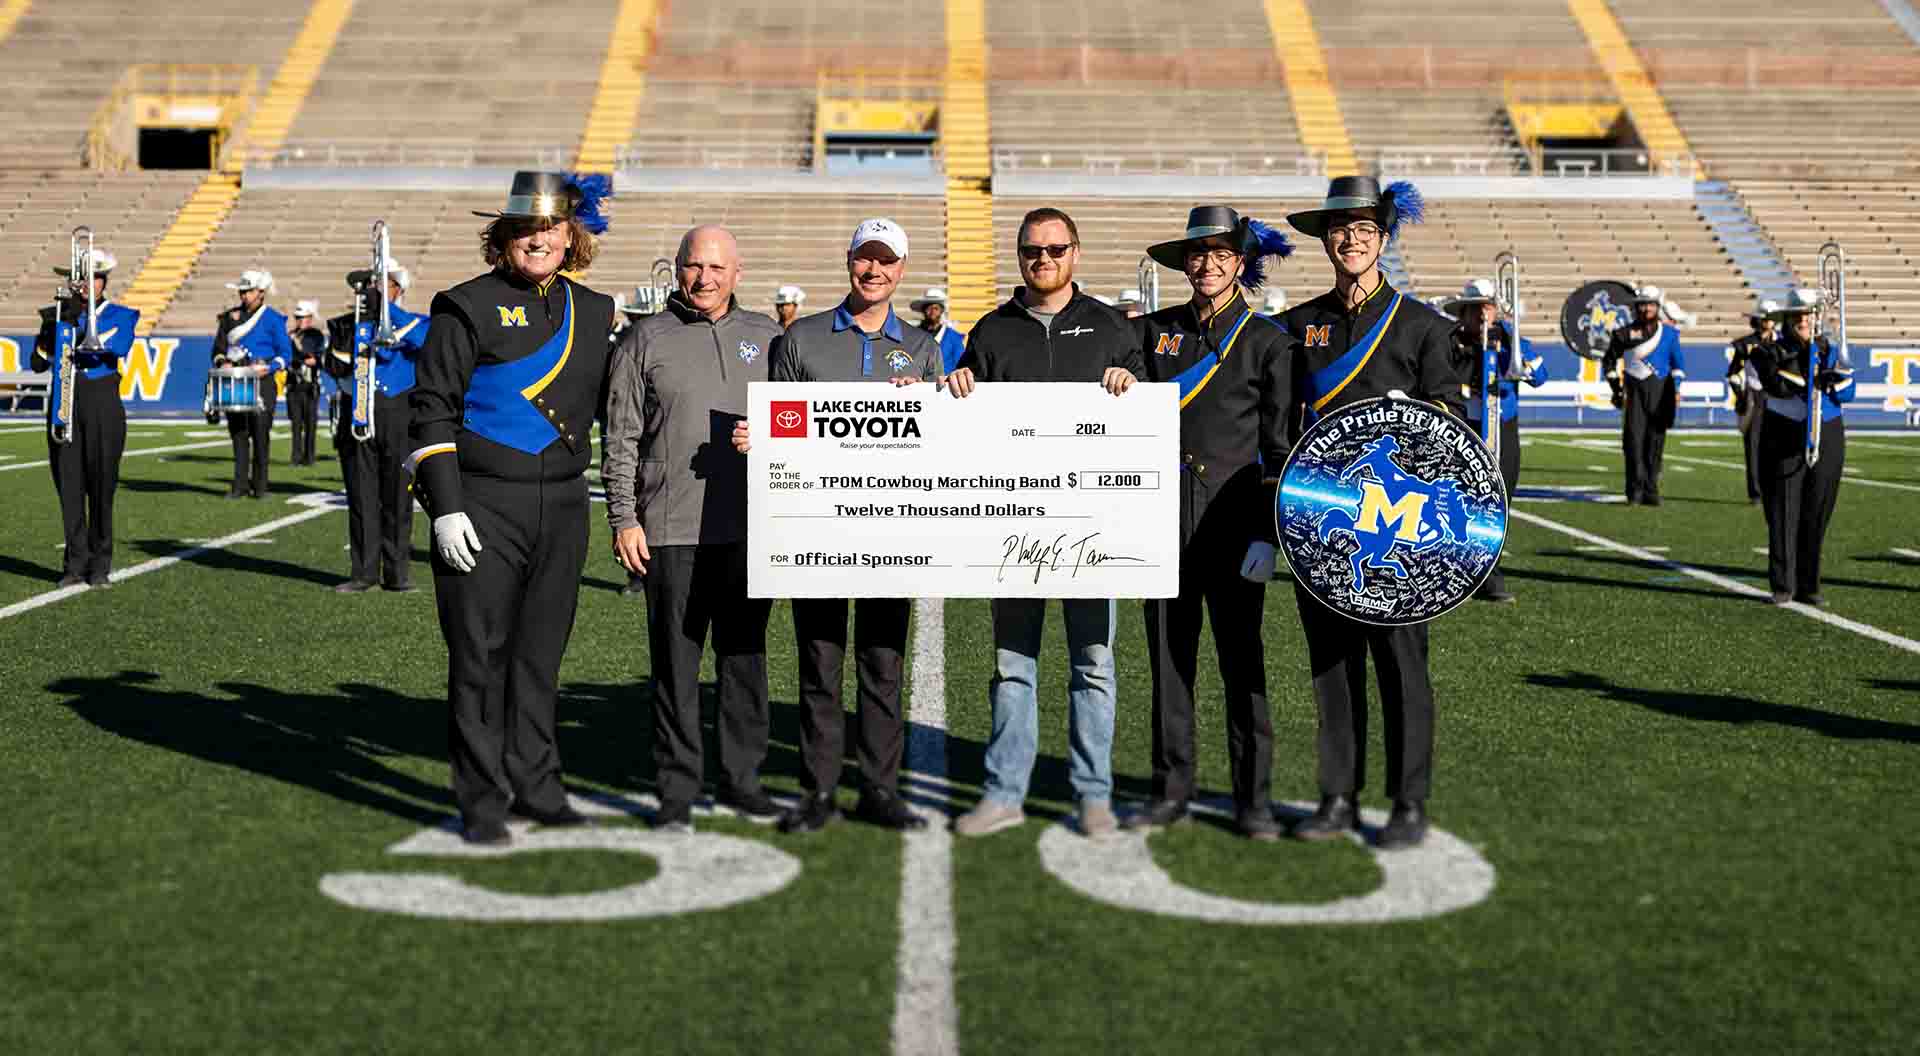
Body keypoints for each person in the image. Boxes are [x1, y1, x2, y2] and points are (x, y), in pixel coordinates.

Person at [405, 171, 617, 845]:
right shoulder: (462, 306)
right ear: (502, 237)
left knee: (539, 659)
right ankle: (482, 799)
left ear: (571, 237)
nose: (539, 241)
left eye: (551, 230)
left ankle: (538, 784)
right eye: (526, 230)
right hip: (483, 504)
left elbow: (621, 405)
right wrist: (444, 507)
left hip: (564, 505)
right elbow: (431, 411)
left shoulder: (597, 311)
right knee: (479, 659)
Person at [730, 218, 942, 835]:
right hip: (815, 528)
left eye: (885, 261)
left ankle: (879, 787)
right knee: (819, 662)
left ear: (901, 269)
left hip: (893, 528)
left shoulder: (924, 348)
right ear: (848, 261)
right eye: (863, 259)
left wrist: (931, 398)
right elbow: (778, 425)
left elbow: (941, 441)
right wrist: (758, 438)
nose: (873, 271)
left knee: (883, 663)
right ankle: (818, 790)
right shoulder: (802, 339)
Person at [942, 207, 1143, 839]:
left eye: (1056, 250)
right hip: (1013, 528)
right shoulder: (992, 331)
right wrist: (960, 382)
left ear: (1076, 253)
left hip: (1093, 529)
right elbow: (965, 417)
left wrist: (1130, 383)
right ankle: (1004, 791)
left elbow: (1149, 419)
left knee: (1093, 663)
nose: (1044, 260)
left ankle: (1093, 794)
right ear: (1019, 255)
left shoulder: (1113, 328)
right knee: (1013, 664)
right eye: (1032, 250)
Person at [1278, 176, 1461, 850]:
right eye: (1339, 230)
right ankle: (1337, 796)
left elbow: (1451, 429)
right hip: (1322, 526)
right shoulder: (1298, 326)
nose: (1350, 240)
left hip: (1397, 531)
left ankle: (1409, 801)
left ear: (1383, 238)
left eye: (1363, 230)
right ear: (1326, 240)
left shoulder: (1424, 327)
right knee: (1331, 667)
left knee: (1402, 667)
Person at [603, 225, 784, 832]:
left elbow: (804, 422)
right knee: (676, 667)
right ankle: (676, 790)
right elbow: (621, 437)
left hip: (750, 529)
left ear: (738, 272)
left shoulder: (769, 337)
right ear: (676, 269)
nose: (703, 279)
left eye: (715, 267)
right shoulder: (642, 339)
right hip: (670, 528)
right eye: (692, 266)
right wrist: (624, 517)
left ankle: (741, 781)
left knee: (744, 660)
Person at [1126, 205, 1295, 841]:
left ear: (1240, 263)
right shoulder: (1151, 332)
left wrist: (1266, 535)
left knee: (1241, 664)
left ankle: (1253, 798)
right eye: (1198, 254)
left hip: (1232, 523)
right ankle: (1171, 789)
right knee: (1169, 662)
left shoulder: (1268, 342)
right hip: (1160, 518)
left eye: (1222, 254)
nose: (1207, 265)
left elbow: (1279, 450)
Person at [32, 244, 136, 589]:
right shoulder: (56, 315)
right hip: (64, 403)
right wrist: (52, 330)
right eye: (82, 278)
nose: (88, 285)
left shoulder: (120, 315)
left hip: (101, 402)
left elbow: (117, 349)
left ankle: (100, 564)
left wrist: (79, 322)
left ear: (105, 281)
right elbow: (38, 362)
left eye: (95, 278)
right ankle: (74, 565)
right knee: (70, 486)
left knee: (102, 486)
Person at [1750, 287, 1853, 607]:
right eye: (1798, 316)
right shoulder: (1767, 351)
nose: (1805, 321)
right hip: (1784, 432)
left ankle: (1810, 584)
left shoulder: (1830, 349)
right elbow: (1779, 386)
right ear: (1786, 320)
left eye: (1809, 315)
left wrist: (1827, 368)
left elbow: (1847, 392)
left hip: (1828, 431)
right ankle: (1783, 584)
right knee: (1783, 510)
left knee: (1817, 509)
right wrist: (1815, 371)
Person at [1447, 277, 1546, 603]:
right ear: (1463, 313)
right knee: (1458, 503)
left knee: (1498, 502)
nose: (1481, 315)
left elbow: (1538, 378)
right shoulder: (1451, 342)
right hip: (1463, 427)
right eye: (1474, 309)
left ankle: (1489, 574)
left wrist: (1514, 351)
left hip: (1502, 427)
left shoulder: (1511, 340)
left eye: (1486, 308)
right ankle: (1456, 573)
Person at [335, 259, 429, 594]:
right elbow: (336, 366)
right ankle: (363, 573)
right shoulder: (351, 324)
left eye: (382, 284)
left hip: (398, 414)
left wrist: (388, 313)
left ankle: (396, 574)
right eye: (370, 286)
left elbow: (424, 342)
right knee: (361, 495)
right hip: (359, 412)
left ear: (398, 289)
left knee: (397, 497)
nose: (373, 292)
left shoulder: (415, 322)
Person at [211, 270, 292, 499]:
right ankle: (239, 486)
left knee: (260, 434)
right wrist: (223, 362)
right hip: (236, 379)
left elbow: (285, 353)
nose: (243, 295)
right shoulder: (229, 318)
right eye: (242, 291)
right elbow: (217, 349)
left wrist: (270, 367)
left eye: (248, 291)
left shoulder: (274, 319)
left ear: (261, 293)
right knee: (238, 433)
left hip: (263, 381)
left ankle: (261, 486)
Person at [1603, 284, 1686, 506]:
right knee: (1633, 442)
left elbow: (1678, 364)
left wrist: (1676, 388)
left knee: (1655, 442)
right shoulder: (1623, 333)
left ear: (1657, 307)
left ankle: (1651, 489)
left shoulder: (1669, 334)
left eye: (1650, 305)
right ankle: (1635, 491)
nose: (1646, 309)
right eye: (1642, 305)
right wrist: (1616, 388)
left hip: (1661, 392)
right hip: (1634, 392)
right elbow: (1609, 361)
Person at [1726, 300, 1778, 504]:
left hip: (1779, 397)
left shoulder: (1783, 341)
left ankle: (1775, 488)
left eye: (1771, 318)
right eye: (1765, 317)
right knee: (1754, 446)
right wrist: (1739, 394)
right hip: (1754, 396)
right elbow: (1732, 373)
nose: (1768, 321)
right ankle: (1756, 492)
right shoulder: (1745, 344)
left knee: (1779, 445)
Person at [286, 300, 325, 467]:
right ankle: (295, 457)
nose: (300, 320)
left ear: (310, 318)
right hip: (294, 384)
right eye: (298, 317)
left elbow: (318, 358)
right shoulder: (290, 336)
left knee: (310, 423)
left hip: (310, 385)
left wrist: (312, 360)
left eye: (303, 317)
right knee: (295, 423)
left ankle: (309, 457)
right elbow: (288, 357)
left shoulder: (316, 336)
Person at [912, 285, 968, 374]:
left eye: (936, 308)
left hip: (946, 384)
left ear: (941, 311)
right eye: (929, 308)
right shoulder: (913, 334)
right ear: (923, 310)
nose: (932, 311)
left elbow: (961, 364)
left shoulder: (954, 337)